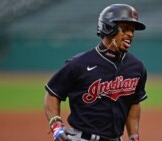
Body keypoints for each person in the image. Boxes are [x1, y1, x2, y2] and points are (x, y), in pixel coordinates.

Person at [44, 3, 148, 141]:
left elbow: (134, 103)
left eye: (132, 31)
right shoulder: (79, 63)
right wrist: (56, 125)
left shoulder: (137, 67)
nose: (130, 34)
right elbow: (53, 94)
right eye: (125, 29)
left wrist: (134, 136)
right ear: (108, 28)